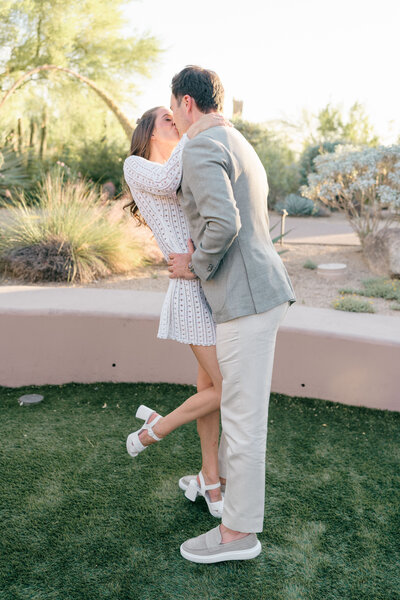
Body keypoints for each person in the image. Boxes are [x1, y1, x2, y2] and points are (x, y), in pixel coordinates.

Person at [168, 66, 296, 563]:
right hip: (259, 294)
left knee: (242, 422)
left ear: (184, 103)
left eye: (173, 111)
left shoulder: (200, 145)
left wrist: (192, 264)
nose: (175, 121)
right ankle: (222, 501)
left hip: (245, 300)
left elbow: (223, 223)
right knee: (241, 414)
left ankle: (238, 534)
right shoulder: (236, 139)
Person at [123, 106, 231, 518]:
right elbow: (168, 180)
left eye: (176, 117)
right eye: (166, 118)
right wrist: (201, 125)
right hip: (188, 294)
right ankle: (156, 429)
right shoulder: (137, 166)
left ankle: (210, 478)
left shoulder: (178, 164)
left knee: (211, 392)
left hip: (205, 284)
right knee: (227, 389)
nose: (175, 122)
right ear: (149, 131)